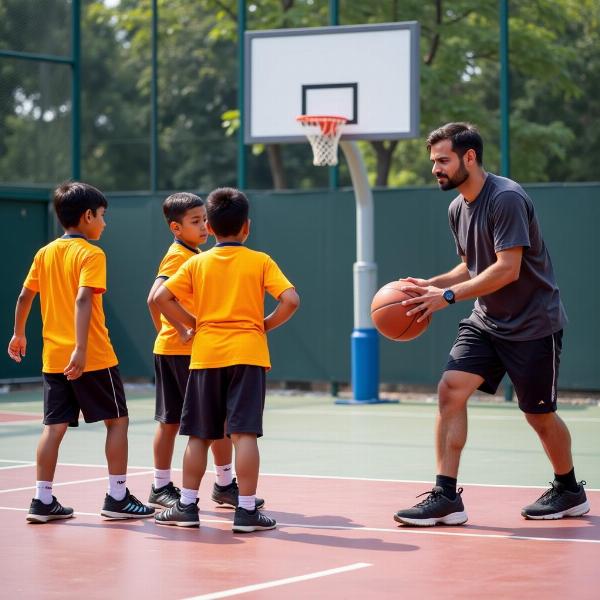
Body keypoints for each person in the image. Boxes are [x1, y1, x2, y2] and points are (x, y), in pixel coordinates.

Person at [394, 122, 589, 526]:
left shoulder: (507, 198)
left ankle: (569, 490)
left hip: (534, 324)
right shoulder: (456, 208)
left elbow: (507, 268)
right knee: (450, 389)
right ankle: (446, 495)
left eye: (443, 160)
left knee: (538, 415)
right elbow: (472, 264)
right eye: (433, 162)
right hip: (487, 321)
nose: (436, 169)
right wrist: (433, 284)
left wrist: (446, 297)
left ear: (469, 157)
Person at [153, 187, 299, 531]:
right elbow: (291, 299)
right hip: (248, 354)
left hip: (206, 356)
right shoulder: (260, 261)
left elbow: (160, 296)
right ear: (246, 227)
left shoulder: (196, 262)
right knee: (244, 434)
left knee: (198, 436)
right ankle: (246, 511)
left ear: (212, 228)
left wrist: (194, 324)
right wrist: (263, 325)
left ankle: (187, 507)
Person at [7, 181, 154, 523]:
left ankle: (42, 500)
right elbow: (83, 298)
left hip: (53, 357)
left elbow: (25, 297)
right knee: (118, 421)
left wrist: (18, 333)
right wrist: (82, 349)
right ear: (87, 216)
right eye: (102, 216)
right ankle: (117, 496)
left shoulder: (44, 253)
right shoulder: (91, 253)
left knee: (53, 426)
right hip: (93, 356)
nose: (104, 223)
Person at [146, 192, 264, 511]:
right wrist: (184, 328)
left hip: (183, 348)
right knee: (200, 423)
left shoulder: (193, 254)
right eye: (195, 222)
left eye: (204, 220)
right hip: (183, 350)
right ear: (176, 227)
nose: (203, 227)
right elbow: (155, 297)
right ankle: (195, 485)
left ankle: (207, 484)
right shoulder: (179, 256)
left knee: (182, 422)